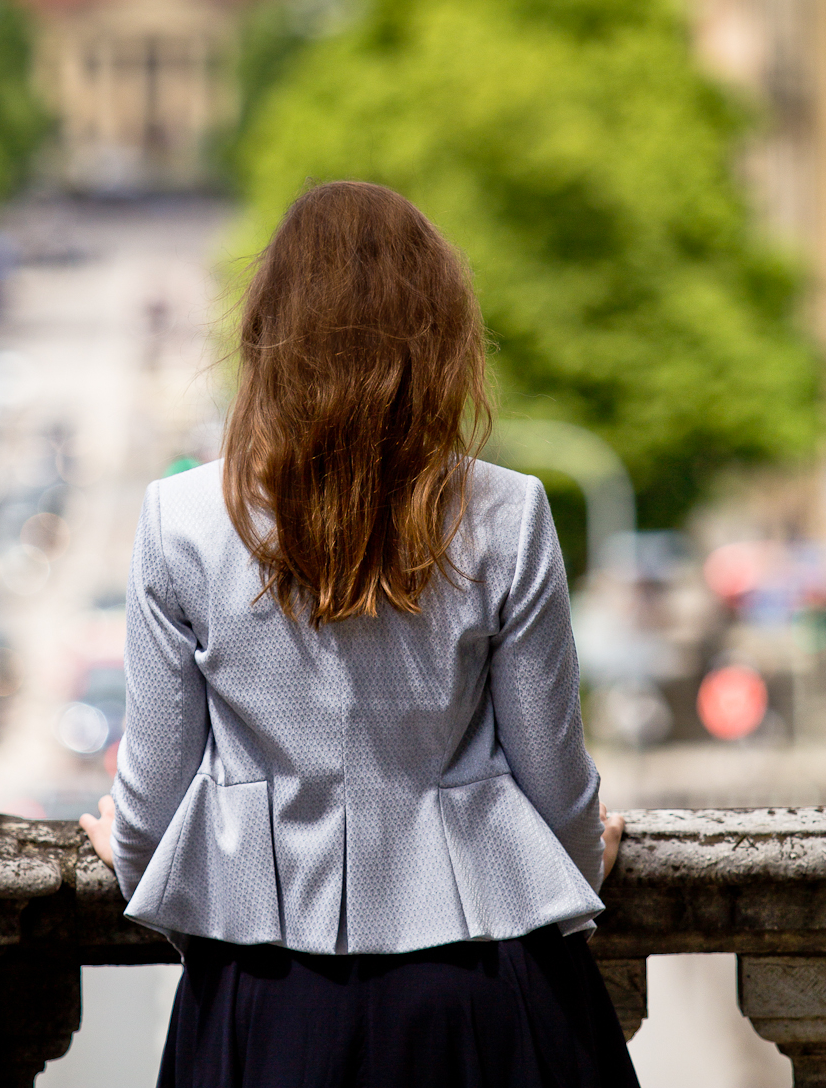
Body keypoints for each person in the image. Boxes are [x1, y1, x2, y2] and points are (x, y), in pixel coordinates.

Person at [81, 181, 637, 1088]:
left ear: (267, 331)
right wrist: (583, 862)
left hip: (263, 988)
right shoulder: (509, 512)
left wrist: (132, 854)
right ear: (439, 332)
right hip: (483, 980)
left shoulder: (178, 518)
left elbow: (149, 806)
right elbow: (555, 777)